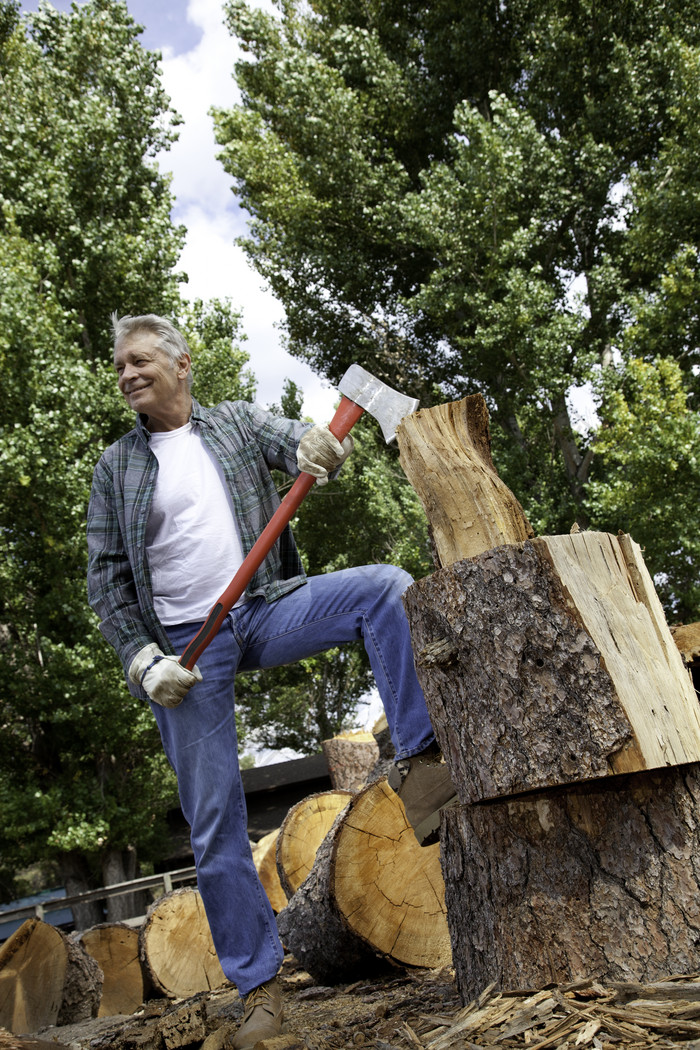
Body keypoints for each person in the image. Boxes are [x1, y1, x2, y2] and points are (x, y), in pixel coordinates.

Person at [87, 313, 456, 1049]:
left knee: (382, 589)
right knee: (216, 820)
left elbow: (291, 438)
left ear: (182, 365)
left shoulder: (229, 424)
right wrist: (140, 661)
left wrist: (317, 446)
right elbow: (106, 580)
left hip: (260, 608)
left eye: (139, 361)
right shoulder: (117, 468)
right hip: (184, 653)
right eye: (119, 365)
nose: (126, 374)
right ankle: (260, 994)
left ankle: (419, 764)